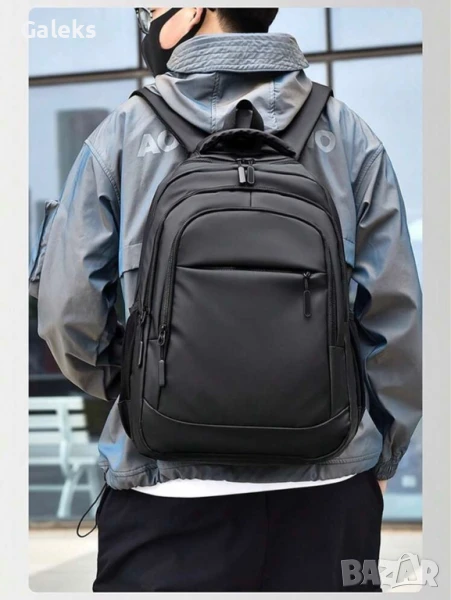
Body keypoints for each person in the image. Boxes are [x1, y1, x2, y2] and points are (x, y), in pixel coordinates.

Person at [29, 7, 422, 593]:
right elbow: (396, 318)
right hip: (328, 492)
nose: (146, 18)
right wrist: (381, 457)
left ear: (196, 8)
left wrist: (143, 388)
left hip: (164, 494)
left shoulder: (122, 134)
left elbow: (67, 314)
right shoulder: (347, 134)